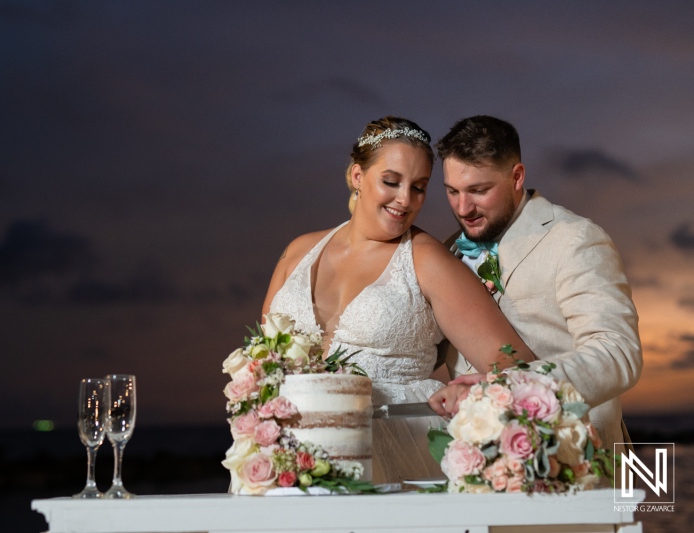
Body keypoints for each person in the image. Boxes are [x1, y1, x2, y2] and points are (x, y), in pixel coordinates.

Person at [262, 116, 535, 484]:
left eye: (419, 187)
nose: (405, 200)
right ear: (357, 176)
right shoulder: (298, 252)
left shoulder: (428, 261)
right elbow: (261, 365)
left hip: (396, 454)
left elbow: (518, 367)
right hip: (289, 458)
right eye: (391, 181)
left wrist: (468, 402)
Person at [428, 115, 643, 458]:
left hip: (574, 456)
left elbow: (618, 354)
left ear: (517, 176)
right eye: (452, 191)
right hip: (474, 459)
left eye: (479, 191)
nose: (463, 208)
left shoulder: (575, 238)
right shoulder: (444, 252)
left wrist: (513, 386)